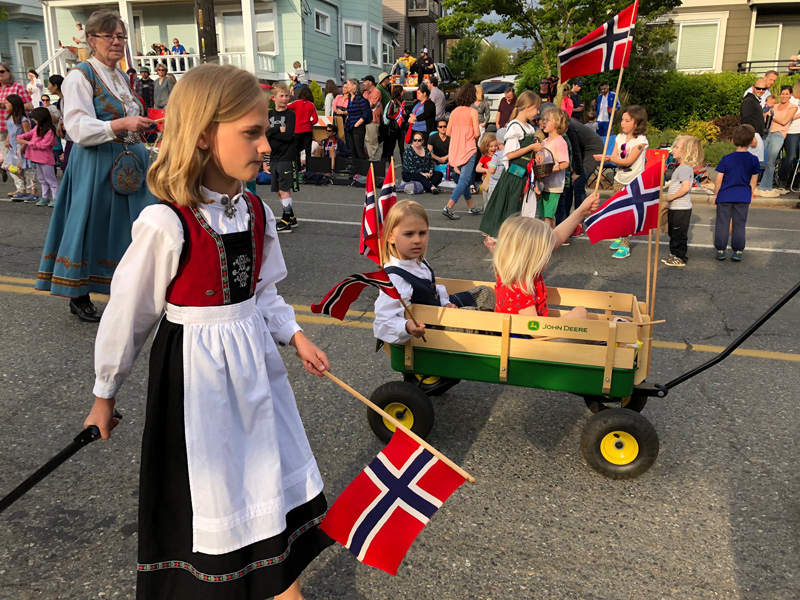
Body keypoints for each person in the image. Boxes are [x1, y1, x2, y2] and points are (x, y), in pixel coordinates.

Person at [85, 62, 332, 600]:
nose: (267, 145)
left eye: (266, 131)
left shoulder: (256, 214)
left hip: (254, 375)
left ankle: (276, 584)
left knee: (262, 479)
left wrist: (295, 335)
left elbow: (263, 292)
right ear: (202, 134)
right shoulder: (167, 223)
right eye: (251, 132)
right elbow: (127, 314)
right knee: (215, 491)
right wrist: (105, 393)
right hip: (197, 382)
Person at [35, 9, 156, 322]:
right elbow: (77, 128)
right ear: (91, 40)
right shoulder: (80, 76)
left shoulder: (120, 76)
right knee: (93, 224)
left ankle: (127, 289)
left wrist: (142, 125)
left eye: (121, 36)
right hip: (97, 162)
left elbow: (128, 118)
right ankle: (79, 292)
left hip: (130, 161)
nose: (116, 42)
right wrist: (120, 124)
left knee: (133, 226)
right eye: (109, 36)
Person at [374, 200, 469, 344]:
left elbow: (433, 290)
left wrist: (444, 302)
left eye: (422, 233)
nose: (417, 240)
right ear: (390, 237)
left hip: (439, 312)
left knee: (484, 293)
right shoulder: (395, 278)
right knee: (480, 318)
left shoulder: (419, 261)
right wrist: (406, 326)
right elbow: (383, 323)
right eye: (409, 234)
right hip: (431, 331)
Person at [493, 194, 599, 317]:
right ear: (531, 258)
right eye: (545, 253)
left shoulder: (516, 274)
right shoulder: (521, 291)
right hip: (524, 336)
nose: (549, 255)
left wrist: (581, 212)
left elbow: (557, 237)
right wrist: (571, 318)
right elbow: (535, 332)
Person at [480, 91, 544, 245]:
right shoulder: (515, 127)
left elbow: (527, 151)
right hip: (515, 176)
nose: (538, 112)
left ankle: (520, 242)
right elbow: (508, 155)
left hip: (526, 176)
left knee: (526, 210)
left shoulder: (528, 127)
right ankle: (498, 240)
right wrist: (532, 148)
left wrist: (537, 154)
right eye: (536, 109)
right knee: (511, 210)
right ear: (528, 107)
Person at [594, 105, 649, 259]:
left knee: (627, 213)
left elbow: (629, 160)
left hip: (634, 182)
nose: (623, 123)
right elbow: (615, 157)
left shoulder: (641, 141)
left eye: (627, 120)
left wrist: (611, 159)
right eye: (622, 120)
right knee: (618, 209)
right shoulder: (619, 137)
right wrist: (606, 158)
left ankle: (625, 245)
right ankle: (621, 236)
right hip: (619, 179)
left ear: (637, 123)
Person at [713, 124, 760, 262]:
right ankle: (738, 250)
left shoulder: (727, 158)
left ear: (733, 140)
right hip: (743, 195)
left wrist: (717, 194)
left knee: (722, 222)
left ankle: (721, 249)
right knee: (739, 223)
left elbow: (719, 179)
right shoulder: (753, 159)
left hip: (725, 194)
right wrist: (749, 193)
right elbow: (754, 180)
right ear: (751, 141)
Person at [442, 84, 483, 220]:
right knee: (465, 179)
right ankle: (449, 206)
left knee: (463, 179)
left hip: (456, 147)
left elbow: (448, 132)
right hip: (468, 147)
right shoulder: (473, 111)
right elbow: (477, 133)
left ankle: (471, 207)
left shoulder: (454, 112)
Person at [662, 135, 703, 268]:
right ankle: (674, 254)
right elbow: (676, 184)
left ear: (686, 151)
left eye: (677, 147)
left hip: (681, 208)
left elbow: (686, 187)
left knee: (679, 233)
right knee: (673, 232)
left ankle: (680, 257)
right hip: (676, 207)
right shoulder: (681, 168)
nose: (673, 149)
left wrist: (671, 197)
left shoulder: (685, 169)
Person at [267, 82, 299, 233]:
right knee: (278, 190)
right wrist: (277, 129)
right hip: (274, 156)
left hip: (287, 156)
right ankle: (291, 217)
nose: (285, 99)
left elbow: (288, 135)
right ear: (274, 98)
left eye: (287, 96)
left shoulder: (290, 114)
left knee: (284, 188)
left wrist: (273, 133)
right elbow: (264, 133)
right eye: (282, 96)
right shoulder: (269, 115)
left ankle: (286, 219)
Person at [756, 85, 797, 197]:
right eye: (782, 94)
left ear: (790, 95)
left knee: (771, 160)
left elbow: (784, 121)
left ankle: (765, 186)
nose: (784, 96)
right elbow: (765, 118)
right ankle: (752, 182)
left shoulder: (793, 107)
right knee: (757, 158)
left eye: (786, 94)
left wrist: (771, 117)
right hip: (768, 133)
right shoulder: (775, 106)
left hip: (779, 135)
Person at [16, 107, 59, 207]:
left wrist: (26, 142)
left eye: (34, 118)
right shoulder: (37, 128)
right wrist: (21, 137)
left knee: (51, 180)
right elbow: (28, 134)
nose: (33, 119)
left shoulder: (49, 130)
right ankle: (45, 197)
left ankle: (56, 198)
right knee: (42, 179)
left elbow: (43, 145)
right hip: (37, 158)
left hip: (46, 159)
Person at [1, 61, 33, 193]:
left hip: (16, 128)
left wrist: (7, 105)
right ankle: (19, 188)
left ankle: (28, 189)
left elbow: (30, 106)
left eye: (2, 71)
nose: (0, 75)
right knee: (10, 161)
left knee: (19, 160)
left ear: (9, 72)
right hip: (3, 127)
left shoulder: (17, 87)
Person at [538, 106, 570, 229]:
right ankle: (549, 237)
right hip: (543, 184)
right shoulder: (545, 141)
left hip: (554, 186)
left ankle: (549, 239)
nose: (543, 122)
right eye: (543, 119)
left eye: (547, 120)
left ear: (557, 123)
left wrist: (550, 169)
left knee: (548, 215)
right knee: (542, 215)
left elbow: (565, 163)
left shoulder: (560, 141)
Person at [3, 94, 37, 202]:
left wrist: (23, 147)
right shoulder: (10, 118)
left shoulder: (23, 119)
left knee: (29, 171)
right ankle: (22, 191)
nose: (5, 105)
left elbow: (28, 134)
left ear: (14, 104)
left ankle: (34, 192)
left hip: (22, 148)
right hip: (13, 148)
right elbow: (10, 130)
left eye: (8, 103)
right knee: (16, 170)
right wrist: (8, 140)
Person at [288, 85, 319, 171]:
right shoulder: (311, 105)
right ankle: (309, 168)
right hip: (308, 129)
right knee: (308, 150)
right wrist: (309, 123)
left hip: (298, 129)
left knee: (296, 150)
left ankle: (298, 168)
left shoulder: (296, 103)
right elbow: (315, 119)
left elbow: (286, 107)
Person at [341, 78, 371, 160]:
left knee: (359, 151)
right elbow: (350, 112)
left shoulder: (360, 99)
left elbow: (366, 113)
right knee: (352, 151)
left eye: (348, 84)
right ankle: (356, 170)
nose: (346, 86)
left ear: (354, 86)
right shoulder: (350, 98)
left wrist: (357, 124)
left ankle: (364, 170)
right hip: (349, 126)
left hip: (358, 127)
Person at [778, 80, 800, 190]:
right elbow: (787, 117)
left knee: (798, 158)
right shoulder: (792, 100)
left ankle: (795, 181)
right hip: (792, 131)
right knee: (790, 157)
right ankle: (783, 179)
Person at [740, 78, 767, 163]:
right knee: (751, 164)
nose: (761, 91)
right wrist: (752, 136)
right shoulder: (749, 101)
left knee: (755, 165)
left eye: (764, 89)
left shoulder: (754, 101)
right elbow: (745, 119)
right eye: (758, 88)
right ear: (753, 88)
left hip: (756, 135)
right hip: (753, 135)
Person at [361, 75, 382, 160]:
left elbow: (370, 104)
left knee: (373, 141)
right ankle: (371, 160)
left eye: (365, 81)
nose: (363, 84)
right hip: (365, 120)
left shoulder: (376, 92)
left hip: (373, 119)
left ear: (370, 82)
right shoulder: (365, 93)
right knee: (367, 141)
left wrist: (363, 104)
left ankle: (375, 161)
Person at [382, 84, 404, 161]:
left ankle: (404, 163)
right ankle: (390, 161)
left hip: (401, 127)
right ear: (399, 92)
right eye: (402, 91)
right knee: (392, 145)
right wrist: (396, 116)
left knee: (401, 146)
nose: (403, 92)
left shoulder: (401, 102)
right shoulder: (392, 102)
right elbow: (388, 115)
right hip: (393, 127)